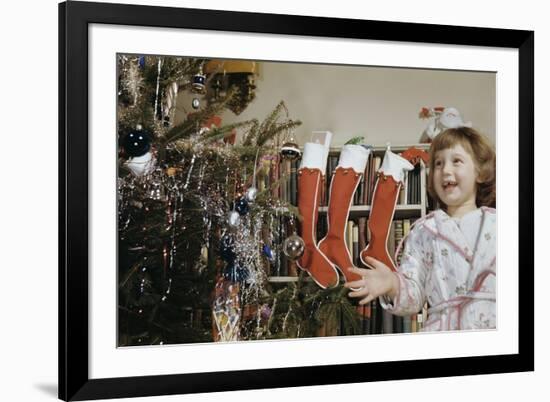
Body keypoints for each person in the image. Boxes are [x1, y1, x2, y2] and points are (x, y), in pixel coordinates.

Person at [345, 127, 497, 331]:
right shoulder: (424, 231)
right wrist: (392, 284)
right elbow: (414, 295)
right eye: (438, 164)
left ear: (480, 171)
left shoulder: (500, 225)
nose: (446, 170)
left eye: (456, 161)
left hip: (494, 329)